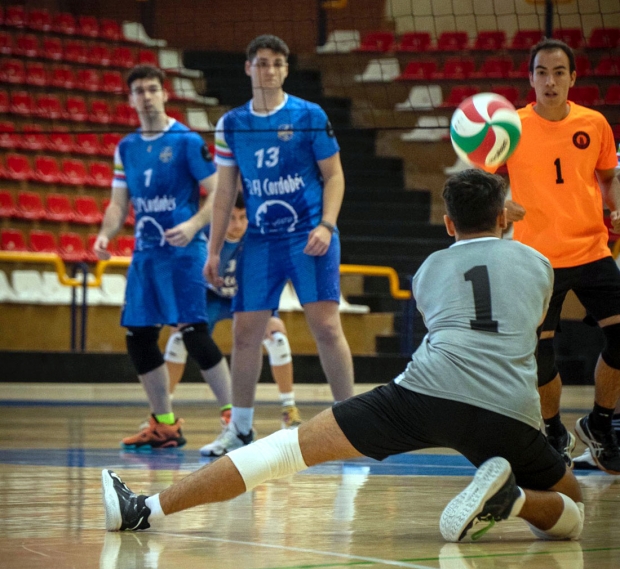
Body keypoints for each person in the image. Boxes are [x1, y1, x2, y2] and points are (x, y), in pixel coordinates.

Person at [102, 169, 584, 544]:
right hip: (510, 410)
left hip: (425, 393)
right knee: (571, 508)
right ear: (504, 218)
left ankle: (145, 508)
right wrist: (507, 228)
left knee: (285, 449)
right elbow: (521, 291)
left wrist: (494, 223)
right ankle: (514, 501)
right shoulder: (539, 264)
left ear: (448, 224)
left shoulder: (430, 269)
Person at [201, 34, 355, 455]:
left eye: (276, 63)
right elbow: (224, 193)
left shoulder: (309, 115)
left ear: (285, 69)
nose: (268, 69)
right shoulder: (232, 123)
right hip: (261, 241)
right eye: (261, 62)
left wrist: (326, 224)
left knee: (326, 327)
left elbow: (335, 176)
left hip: (309, 235)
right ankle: (241, 429)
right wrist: (214, 250)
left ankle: (351, 427)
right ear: (248, 68)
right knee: (245, 332)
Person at [93, 64, 233, 449]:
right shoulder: (127, 148)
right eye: (139, 91)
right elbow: (118, 205)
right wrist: (106, 234)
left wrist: (194, 226)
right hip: (146, 255)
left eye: (153, 89)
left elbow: (218, 193)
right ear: (131, 99)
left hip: (184, 253)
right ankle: (165, 424)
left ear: (165, 94)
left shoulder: (187, 142)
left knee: (193, 332)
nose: (147, 96)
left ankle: (235, 419)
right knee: (138, 337)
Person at [502, 38, 620, 473]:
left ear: (573, 78)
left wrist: (615, 205)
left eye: (558, 72)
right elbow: (480, 179)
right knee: (539, 351)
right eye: (541, 73)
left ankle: (601, 423)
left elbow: (609, 177)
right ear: (530, 78)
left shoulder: (595, 123)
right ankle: (553, 429)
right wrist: (501, 202)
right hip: (535, 259)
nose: (550, 81)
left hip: (591, 249)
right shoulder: (510, 127)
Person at [162, 193, 303, 443]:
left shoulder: (258, 237)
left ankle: (289, 409)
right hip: (211, 297)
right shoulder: (205, 236)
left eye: (242, 217)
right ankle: (163, 414)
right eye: (231, 218)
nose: (237, 224)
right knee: (178, 338)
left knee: (278, 337)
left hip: (246, 296)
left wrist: (269, 314)